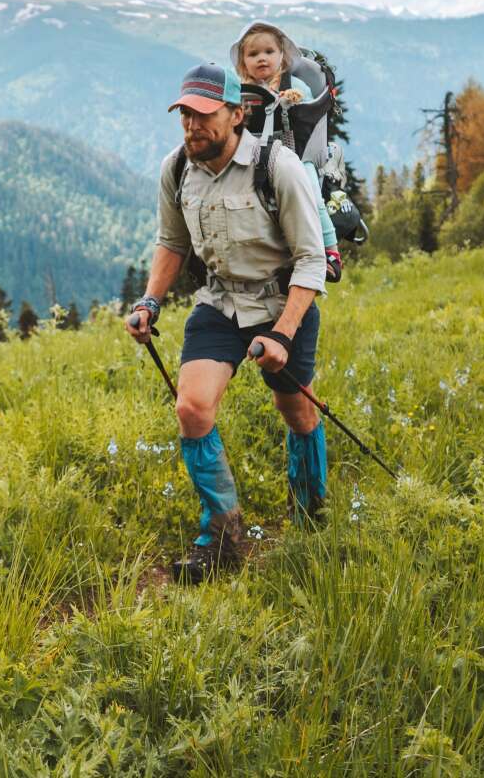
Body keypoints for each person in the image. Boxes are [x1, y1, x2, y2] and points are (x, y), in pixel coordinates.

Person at [124, 62, 328, 584]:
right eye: (185, 115)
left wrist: (282, 333)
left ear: (237, 115)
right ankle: (222, 536)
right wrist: (150, 300)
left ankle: (310, 512)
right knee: (192, 408)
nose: (192, 126)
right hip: (219, 304)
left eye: (204, 115)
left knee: (298, 411)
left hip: (282, 303)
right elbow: (172, 242)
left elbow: (309, 259)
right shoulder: (176, 170)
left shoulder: (276, 167)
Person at [231, 22, 343, 282]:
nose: (262, 58)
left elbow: (303, 103)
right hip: (253, 157)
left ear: (281, 55)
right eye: (253, 54)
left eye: (269, 52)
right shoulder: (239, 91)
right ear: (243, 61)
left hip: (293, 155)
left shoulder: (293, 85)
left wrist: (289, 99)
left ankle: (330, 251)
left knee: (311, 193)